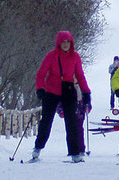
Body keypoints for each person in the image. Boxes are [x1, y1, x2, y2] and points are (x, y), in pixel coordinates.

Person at [31, 30, 92, 163]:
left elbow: (80, 76)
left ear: (71, 43)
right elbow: (41, 74)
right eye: (63, 42)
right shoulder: (51, 56)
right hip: (51, 91)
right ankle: (37, 148)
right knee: (46, 121)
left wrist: (86, 92)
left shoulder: (75, 57)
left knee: (72, 122)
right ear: (58, 43)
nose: (65, 44)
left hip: (68, 90)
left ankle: (75, 153)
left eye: (68, 42)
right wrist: (40, 88)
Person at [56, 81, 92, 156]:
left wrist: (87, 107)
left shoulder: (82, 88)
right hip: (69, 111)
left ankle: (81, 149)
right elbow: (59, 101)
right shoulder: (65, 87)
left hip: (80, 112)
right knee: (70, 130)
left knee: (79, 130)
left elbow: (87, 99)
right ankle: (72, 150)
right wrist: (61, 111)